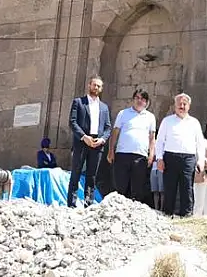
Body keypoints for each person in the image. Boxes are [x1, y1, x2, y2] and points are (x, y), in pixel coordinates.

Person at [154, 93, 205, 217]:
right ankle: (167, 213)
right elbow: (160, 141)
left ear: (189, 106)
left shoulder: (194, 122)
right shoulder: (167, 121)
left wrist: (201, 161)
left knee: (187, 187)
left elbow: (200, 143)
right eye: (179, 104)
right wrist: (159, 158)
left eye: (184, 104)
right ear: (175, 106)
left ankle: (186, 215)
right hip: (170, 157)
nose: (182, 106)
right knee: (170, 187)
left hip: (188, 158)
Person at [67, 76, 111, 208]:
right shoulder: (79, 102)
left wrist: (102, 139)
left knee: (92, 175)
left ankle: (89, 203)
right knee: (76, 172)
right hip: (82, 142)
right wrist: (84, 136)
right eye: (94, 85)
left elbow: (108, 127)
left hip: (97, 144)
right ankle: (72, 204)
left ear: (101, 89)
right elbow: (72, 122)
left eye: (98, 86)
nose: (96, 88)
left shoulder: (104, 107)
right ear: (89, 85)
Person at [108, 89, 157, 203]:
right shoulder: (123, 113)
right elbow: (115, 133)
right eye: (137, 98)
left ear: (147, 102)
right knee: (120, 185)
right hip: (122, 154)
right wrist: (111, 151)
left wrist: (151, 155)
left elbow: (152, 138)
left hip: (140, 156)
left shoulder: (150, 117)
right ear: (133, 100)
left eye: (143, 99)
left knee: (138, 187)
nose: (140, 101)